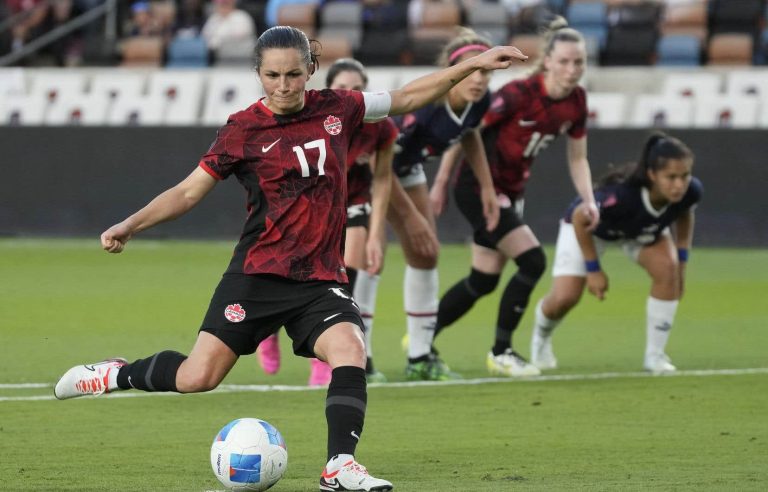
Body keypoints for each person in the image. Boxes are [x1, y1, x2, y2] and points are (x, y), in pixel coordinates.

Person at [53, 25, 527, 492]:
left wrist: (471, 64)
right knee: (198, 377)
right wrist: (130, 225)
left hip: (319, 278)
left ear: (311, 71)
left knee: (350, 350)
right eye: (273, 76)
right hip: (257, 275)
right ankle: (115, 373)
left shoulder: (340, 108)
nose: (283, 86)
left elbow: (406, 98)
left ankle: (339, 466)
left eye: (294, 75)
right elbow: (187, 191)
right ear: (258, 74)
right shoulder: (242, 129)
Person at [430, 18, 599, 377]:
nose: (572, 70)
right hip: (477, 189)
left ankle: (421, 337)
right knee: (533, 261)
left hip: (510, 193)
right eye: (565, 61)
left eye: (579, 62)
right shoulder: (517, 95)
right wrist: (442, 181)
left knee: (484, 279)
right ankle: (502, 351)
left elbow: (578, 156)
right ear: (548, 61)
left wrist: (589, 199)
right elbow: (467, 130)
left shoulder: (577, 101)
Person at [257, 58, 396, 386]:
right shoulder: (310, 119)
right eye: (344, 88)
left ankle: (324, 358)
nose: (351, 94)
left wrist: (377, 235)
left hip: (353, 203)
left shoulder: (380, 126)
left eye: (358, 88)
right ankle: (270, 329)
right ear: (329, 89)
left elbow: (384, 178)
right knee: (292, 276)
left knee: (346, 277)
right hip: (308, 205)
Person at [530, 132, 701, 374]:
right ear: (652, 175)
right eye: (671, 177)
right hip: (591, 229)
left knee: (668, 270)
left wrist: (682, 264)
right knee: (565, 298)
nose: (679, 185)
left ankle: (655, 356)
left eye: (684, 176)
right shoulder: (621, 196)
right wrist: (593, 270)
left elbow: (685, 214)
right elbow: (581, 217)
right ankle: (541, 338)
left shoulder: (690, 191)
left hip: (637, 230)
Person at [389, 28, 502, 381]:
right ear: (452, 71)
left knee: (427, 254)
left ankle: (419, 358)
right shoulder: (423, 109)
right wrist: (411, 217)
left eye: (485, 70)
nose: (479, 78)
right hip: (364, 172)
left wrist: (487, 187)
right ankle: (362, 360)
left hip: (406, 170)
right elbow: (379, 167)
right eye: (472, 69)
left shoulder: (478, 100)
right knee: (362, 259)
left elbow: (469, 134)